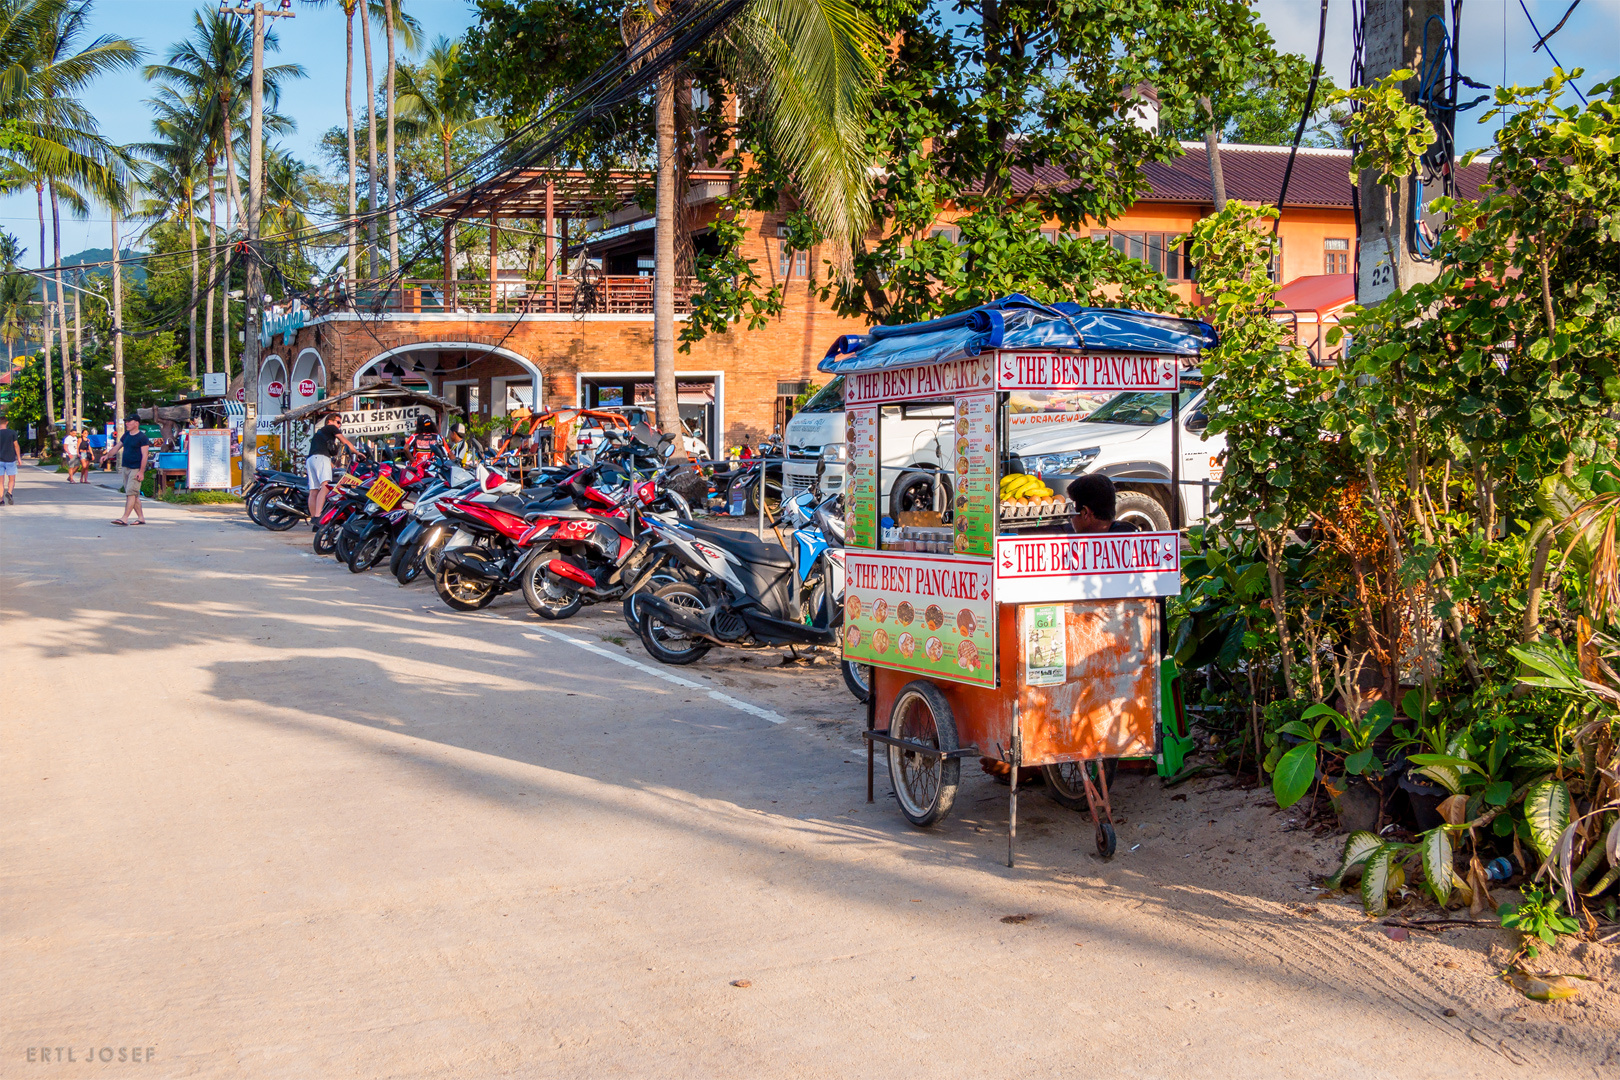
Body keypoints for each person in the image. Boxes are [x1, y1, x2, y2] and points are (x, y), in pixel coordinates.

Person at [306, 413, 356, 522]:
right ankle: (319, 516)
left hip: (311, 459)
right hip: (320, 459)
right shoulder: (331, 428)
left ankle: (313, 518)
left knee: (313, 491)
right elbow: (345, 442)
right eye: (338, 422)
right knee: (325, 486)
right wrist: (358, 452)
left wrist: (332, 465)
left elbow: (319, 451)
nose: (339, 425)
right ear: (330, 421)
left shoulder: (319, 433)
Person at [1063, 473, 1139, 534]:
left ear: (1085, 512)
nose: (1071, 519)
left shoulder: (1087, 548)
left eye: (1072, 510)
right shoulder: (1131, 533)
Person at [112, 417, 151, 526]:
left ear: (136, 423)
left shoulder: (142, 438)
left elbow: (145, 456)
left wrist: (141, 472)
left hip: (136, 469)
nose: (127, 423)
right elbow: (117, 447)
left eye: (129, 421)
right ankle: (141, 518)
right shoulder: (126, 435)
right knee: (133, 495)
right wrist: (107, 455)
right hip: (126, 468)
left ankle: (124, 518)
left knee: (130, 494)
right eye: (126, 422)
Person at [0, 415, 18, 504]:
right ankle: (9, 493)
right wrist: (19, 458)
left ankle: (1, 499)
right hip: (10, 460)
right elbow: (16, 445)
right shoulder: (12, 433)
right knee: (11, 479)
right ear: (6, 423)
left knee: (0, 482)